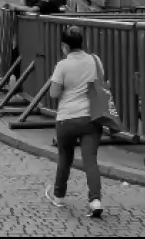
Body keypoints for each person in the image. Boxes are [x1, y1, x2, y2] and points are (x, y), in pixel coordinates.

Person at [44, 26, 105, 218]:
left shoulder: (62, 65)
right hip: (91, 117)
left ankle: (59, 196)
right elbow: (101, 84)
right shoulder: (95, 60)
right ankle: (95, 201)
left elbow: (54, 94)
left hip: (67, 118)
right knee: (91, 161)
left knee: (65, 158)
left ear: (64, 46)